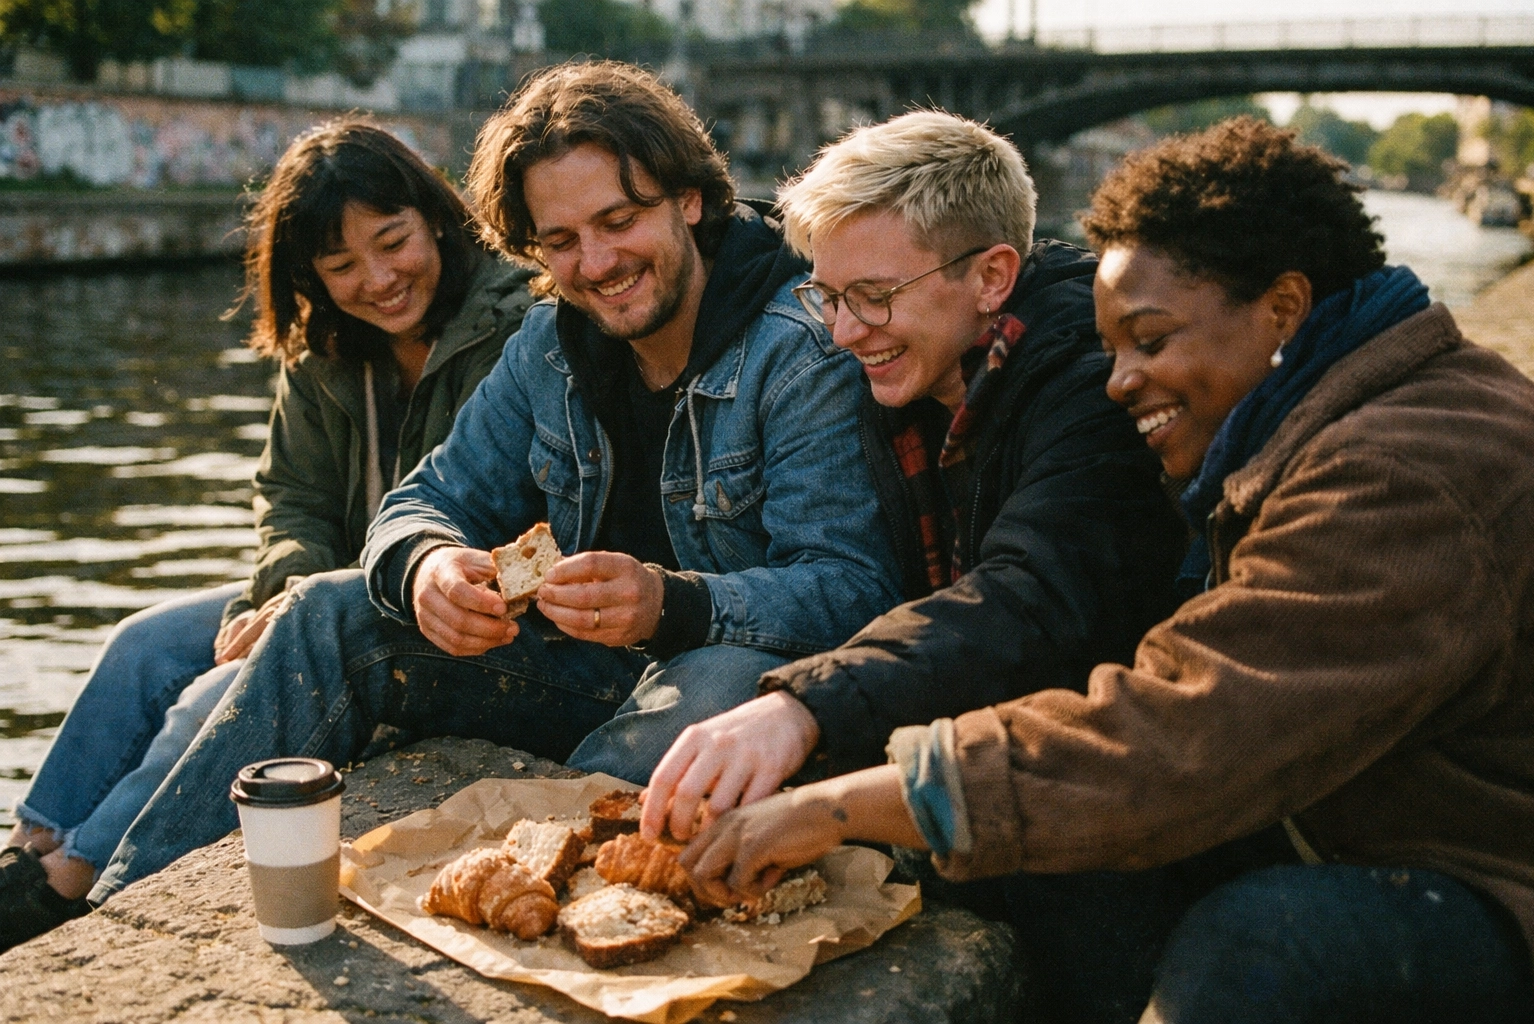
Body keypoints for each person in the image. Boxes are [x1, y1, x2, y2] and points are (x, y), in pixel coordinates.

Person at [674, 118, 1534, 1024]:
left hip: (1490, 875)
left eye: (1150, 342)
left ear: (1283, 308)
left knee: (1262, 941)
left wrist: (836, 807)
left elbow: (1189, 733)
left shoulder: (1401, 473)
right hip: (1354, 813)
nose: (1118, 382)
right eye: (1113, 347)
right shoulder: (1351, 413)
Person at [87, 60, 900, 904]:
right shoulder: (549, 340)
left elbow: (855, 588)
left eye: (618, 221)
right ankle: (128, 909)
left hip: (733, 682)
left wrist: (671, 602)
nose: (596, 263)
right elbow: (424, 502)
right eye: (560, 241)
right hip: (589, 670)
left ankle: (543, 888)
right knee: (325, 609)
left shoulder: (799, 345)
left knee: (715, 681)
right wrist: (428, 567)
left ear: (690, 201)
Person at [0, 120, 536, 951]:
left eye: (392, 242)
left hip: (430, 605)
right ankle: (30, 843)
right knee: (142, 644)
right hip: (323, 585)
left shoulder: (517, 325)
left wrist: (306, 605)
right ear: (309, 276)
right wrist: (285, 587)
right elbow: (291, 497)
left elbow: (505, 509)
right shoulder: (323, 348)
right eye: (341, 265)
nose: (378, 280)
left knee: (209, 698)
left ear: (436, 218)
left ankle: (75, 879)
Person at [640, 110, 1184, 842]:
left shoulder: (1091, 389)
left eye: (874, 295)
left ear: (992, 277)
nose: (843, 333)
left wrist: (805, 707)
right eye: (828, 297)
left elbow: (1027, 602)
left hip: (1092, 794)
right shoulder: (912, 377)